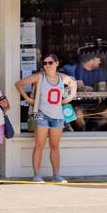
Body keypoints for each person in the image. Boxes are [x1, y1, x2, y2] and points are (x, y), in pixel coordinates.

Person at [16, 54, 77, 183]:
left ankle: (56, 175)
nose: (46, 65)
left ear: (57, 63)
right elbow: (19, 84)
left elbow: (73, 83)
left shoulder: (62, 77)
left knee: (55, 147)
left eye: (49, 63)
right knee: (39, 145)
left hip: (58, 116)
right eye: (44, 63)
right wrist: (27, 99)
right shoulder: (40, 76)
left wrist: (70, 97)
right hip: (41, 114)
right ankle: (36, 174)